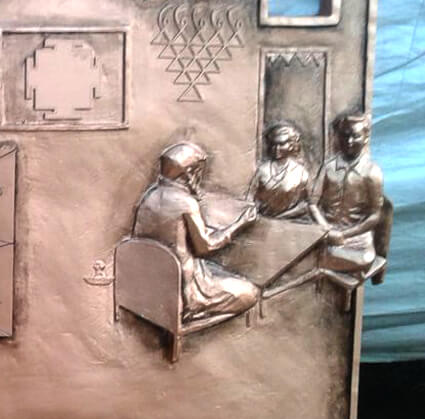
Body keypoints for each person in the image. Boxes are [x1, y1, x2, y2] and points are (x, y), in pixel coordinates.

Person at [133, 141, 259, 321]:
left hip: (155, 284)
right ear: (190, 173)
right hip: (184, 290)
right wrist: (241, 223)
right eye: (199, 172)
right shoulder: (185, 202)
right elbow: (206, 247)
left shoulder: (150, 196)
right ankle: (194, 312)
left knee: (219, 270)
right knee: (250, 292)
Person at [310, 113, 388, 280]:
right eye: (345, 136)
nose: (349, 141)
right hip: (324, 234)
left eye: (355, 136)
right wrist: (327, 229)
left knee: (363, 259)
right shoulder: (328, 167)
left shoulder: (372, 172)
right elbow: (312, 204)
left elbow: (375, 216)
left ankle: (327, 267)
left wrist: (344, 235)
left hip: (356, 242)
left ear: (365, 138)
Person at [247, 122, 311, 218]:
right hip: (263, 219)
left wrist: (282, 216)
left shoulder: (301, 172)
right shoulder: (262, 171)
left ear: (291, 145)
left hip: (290, 221)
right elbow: (250, 199)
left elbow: (307, 204)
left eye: (281, 144)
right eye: (274, 144)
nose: (277, 148)